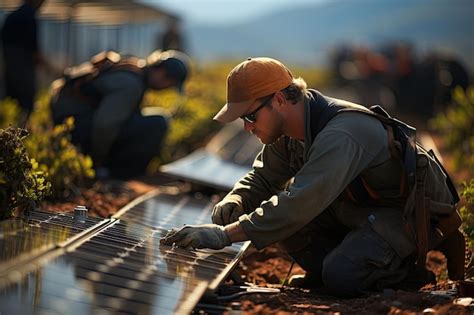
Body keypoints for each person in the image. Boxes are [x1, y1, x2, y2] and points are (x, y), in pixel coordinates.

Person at [160, 57, 466, 297]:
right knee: (289, 230)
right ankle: (332, 268)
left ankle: (406, 274)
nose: (247, 128)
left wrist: (224, 235)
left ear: (279, 99)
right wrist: (236, 198)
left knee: (341, 276)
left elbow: (299, 202)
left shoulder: (342, 133)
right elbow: (262, 177)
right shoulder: (288, 131)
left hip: (405, 213)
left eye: (250, 116)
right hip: (359, 209)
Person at [50, 50, 190, 179]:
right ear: (161, 72)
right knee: (158, 123)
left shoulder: (133, 68)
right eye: (170, 83)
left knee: (141, 119)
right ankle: (113, 173)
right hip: (75, 127)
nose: (166, 88)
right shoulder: (132, 85)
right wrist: (97, 160)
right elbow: (104, 125)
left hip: (70, 123)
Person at [1, 0, 55, 126]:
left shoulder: (14, 15)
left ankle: (9, 138)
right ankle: (20, 136)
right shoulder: (29, 16)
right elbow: (34, 51)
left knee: (12, 104)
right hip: (22, 71)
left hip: (11, 71)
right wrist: (50, 69)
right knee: (25, 105)